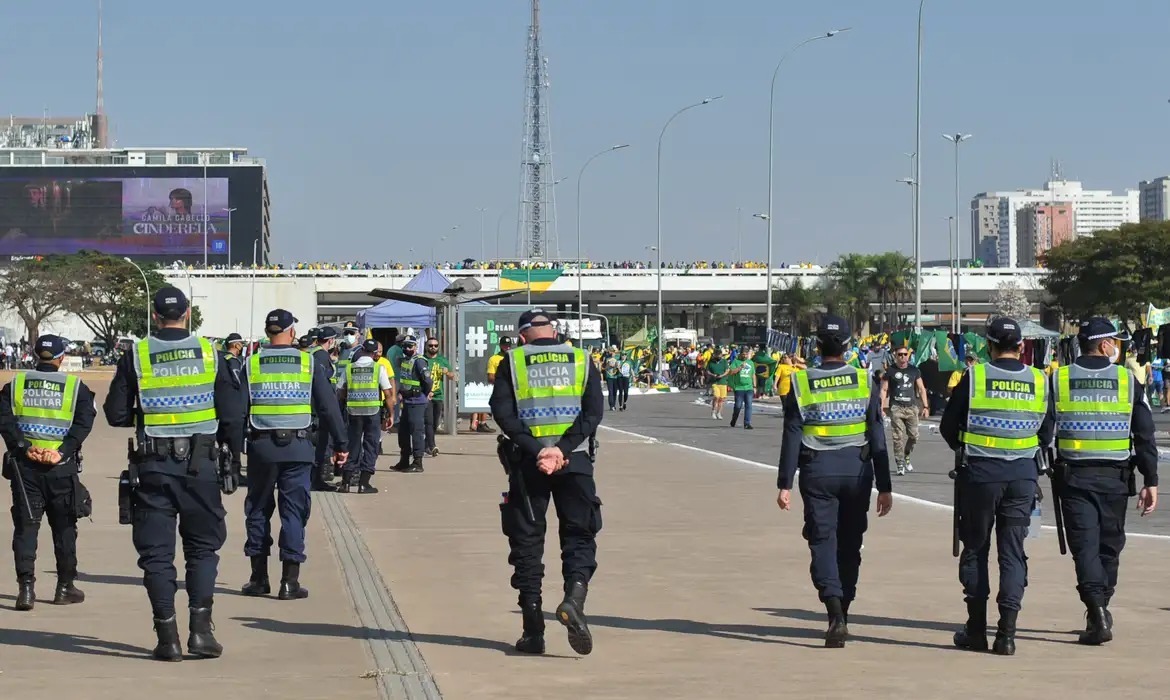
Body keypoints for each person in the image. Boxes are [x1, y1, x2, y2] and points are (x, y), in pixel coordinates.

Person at [102, 286, 245, 661]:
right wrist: (232, 457)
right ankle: (201, 632)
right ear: (188, 313)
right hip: (201, 466)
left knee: (156, 555)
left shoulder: (137, 354)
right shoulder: (210, 354)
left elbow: (116, 413)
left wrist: (148, 415)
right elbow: (232, 415)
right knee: (202, 549)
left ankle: (168, 639)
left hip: (152, 467)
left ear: (154, 316)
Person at [489, 308, 604, 656]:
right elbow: (593, 412)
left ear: (522, 336)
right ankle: (574, 598)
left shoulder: (513, 361)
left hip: (529, 462)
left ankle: (533, 629)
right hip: (575, 461)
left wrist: (539, 450)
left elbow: (502, 412)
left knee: (527, 541)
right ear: (553, 331)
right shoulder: (582, 358)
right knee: (579, 534)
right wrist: (562, 449)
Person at [939, 317, 1056, 656]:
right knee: (1013, 552)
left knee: (976, 549)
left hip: (980, 474)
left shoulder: (974, 377)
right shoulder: (1039, 379)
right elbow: (1046, 432)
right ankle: (1007, 634)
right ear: (1020, 346)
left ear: (989, 346)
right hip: (1022, 476)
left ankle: (976, 631)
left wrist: (965, 448)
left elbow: (948, 426)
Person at [777, 315, 893, 648]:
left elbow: (792, 434)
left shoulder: (801, 382)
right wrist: (885, 486)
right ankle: (845, 608)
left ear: (817, 346)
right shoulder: (863, 379)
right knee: (850, 544)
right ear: (847, 346)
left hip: (817, 471)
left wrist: (784, 483)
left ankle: (834, 613)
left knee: (822, 540)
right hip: (857, 470)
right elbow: (877, 434)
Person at [1051, 318, 1158, 644]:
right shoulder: (1127, 380)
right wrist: (1150, 479)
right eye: (1116, 341)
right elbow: (1144, 434)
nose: (1118, 347)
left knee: (1084, 548)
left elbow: (1043, 431)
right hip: (1115, 478)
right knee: (1109, 548)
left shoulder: (1059, 379)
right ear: (1104, 344)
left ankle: (1096, 610)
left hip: (1074, 478)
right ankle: (1101, 608)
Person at [240, 309, 348, 599]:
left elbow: (238, 410)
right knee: (293, 512)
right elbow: (327, 406)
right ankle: (289, 582)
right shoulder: (307, 362)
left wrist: (233, 450)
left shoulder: (251, 364)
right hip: (298, 448)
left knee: (258, 510)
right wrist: (341, 444)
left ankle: (258, 579)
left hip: (261, 448)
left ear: (268, 332)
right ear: (291, 332)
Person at [2, 334, 96, 611]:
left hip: (25, 468)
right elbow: (84, 422)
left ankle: (26, 590)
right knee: (65, 528)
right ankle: (64, 587)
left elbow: (4, 420)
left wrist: (24, 446)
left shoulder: (15, 384)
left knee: (26, 527)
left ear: (34, 355)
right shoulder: (75, 387)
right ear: (61, 358)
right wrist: (62, 451)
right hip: (60, 469)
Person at [337, 338, 396, 490]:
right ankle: (364, 483)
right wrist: (391, 414)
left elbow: (340, 392)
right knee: (371, 446)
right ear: (375, 353)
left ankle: (346, 482)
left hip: (353, 413)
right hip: (372, 413)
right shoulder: (378, 368)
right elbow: (388, 394)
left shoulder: (349, 368)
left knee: (353, 445)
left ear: (362, 350)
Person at [881, 346, 929, 476]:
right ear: (895, 356)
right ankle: (900, 463)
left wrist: (925, 407)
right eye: (900, 355)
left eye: (905, 354)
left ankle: (906, 454)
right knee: (897, 437)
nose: (902, 357)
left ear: (908, 356)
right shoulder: (890, 371)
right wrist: (881, 407)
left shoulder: (914, 370)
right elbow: (884, 390)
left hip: (911, 407)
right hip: (896, 407)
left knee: (914, 436)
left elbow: (921, 389)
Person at [394, 336, 432, 473]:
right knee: (403, 432)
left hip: (417, 401)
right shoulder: (405, 360)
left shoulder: (419, 361)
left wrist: (423, 394)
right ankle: (404, 460)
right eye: (404, 346)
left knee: (416, 432)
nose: (407, 349)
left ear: (415, 347)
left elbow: (428, 381)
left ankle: (417, 462)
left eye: (410, 346)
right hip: (406, 400)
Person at [309, 326, 339, 492]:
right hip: (319, 408)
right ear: (331, 340)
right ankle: (315, 480)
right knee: (320, 445)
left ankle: (316, 478)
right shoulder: (320, 355)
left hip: (316, 406)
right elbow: (322, 380)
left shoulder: (315, 354)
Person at [423, 337, 455, 457]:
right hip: (426, 396)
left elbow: (454, 376)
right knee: (429, 422)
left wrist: (447, 373)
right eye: (430, 345)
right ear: (426, 346)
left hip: (438, 395)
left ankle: (426, 444)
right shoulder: (422, 360)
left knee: (435, 423)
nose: (433, 348)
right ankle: (432, 446)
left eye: (435, 345)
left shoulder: (442, 360)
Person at [723, 346, 756, 429]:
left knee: (749, 405)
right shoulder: (736, 361)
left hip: (749, 387)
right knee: (738, 406)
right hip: (739, 388)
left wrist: (754, 386)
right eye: (743, 354)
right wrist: (740, 367)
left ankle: (747, 423)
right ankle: (734, 419)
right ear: (740, 354)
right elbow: (731, 372)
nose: (745, 356)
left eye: (746, 354)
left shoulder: (751, 363)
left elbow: (753, 374)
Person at [706, 348, 729, 420]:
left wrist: (722, 375)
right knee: (716, 396)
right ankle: (713, 411)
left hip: (723, 382)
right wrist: (713, 375)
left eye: (720, 355)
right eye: (717, 355)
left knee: (721, 399)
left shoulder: (724, 361)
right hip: (714, 382)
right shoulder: (711, 362)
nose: (718, 356)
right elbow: (707, 371)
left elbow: (727, 371)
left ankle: (719, 413)